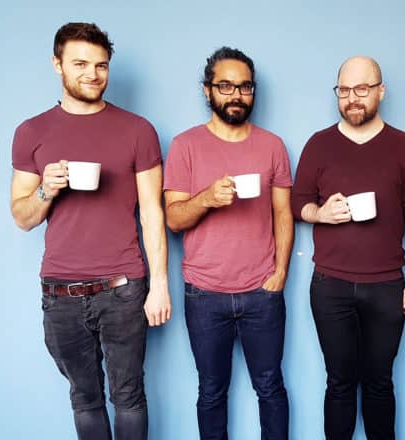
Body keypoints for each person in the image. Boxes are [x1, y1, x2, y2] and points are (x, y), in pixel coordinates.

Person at [9, 22, 171, 440]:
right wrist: (47, 187)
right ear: (57, 64)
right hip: (59, 292)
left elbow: (152, 211)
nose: (92, 74)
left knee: (129, 396)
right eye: (80, 63)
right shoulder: (32, 132)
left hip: (123, 287)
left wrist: (159, 286)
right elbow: (23, 217)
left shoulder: (138, 130)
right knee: (84, 398)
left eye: (101, 65)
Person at [291, 56, 405, 440]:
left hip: (387, 286)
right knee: (338, 382)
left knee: (380, 383)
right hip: (330, 286)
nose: (353, 98)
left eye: (362, 89)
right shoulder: (319, 144)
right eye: (345, 90)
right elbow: (296, 203)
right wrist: (320, 213)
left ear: (380, 91)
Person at [164, 47, 292, 440]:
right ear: (208, 91)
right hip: (204, 294)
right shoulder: (185, 146)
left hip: (261, 292)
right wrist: (205, 199)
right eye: (225, 86)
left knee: (270, 387)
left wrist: (280, 273)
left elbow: (283, 213)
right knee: (211, 391)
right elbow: (173, 219)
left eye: (244, 87)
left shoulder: (272, 145)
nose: (236, 95)